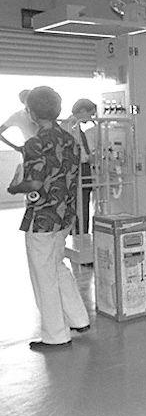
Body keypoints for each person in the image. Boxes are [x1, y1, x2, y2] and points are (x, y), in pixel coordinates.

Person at [7, 86, 90, 351]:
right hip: (65, 215)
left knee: (43, 275)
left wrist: (14, 186)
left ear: (30, 113)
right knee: (56, 265)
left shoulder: (35, 143)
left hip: (42, 218)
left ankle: (56, 335)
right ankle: (79, 318)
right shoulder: (70, 141)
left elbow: (34, 184)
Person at [62, 99, 98, 234]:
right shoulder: (68, 126)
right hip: (77, 169)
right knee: (79, 205)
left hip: (82, 169)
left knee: (82, 204)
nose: (91, 118)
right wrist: (88, 157)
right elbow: (72, 151)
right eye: (91, 114)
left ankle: (81, 233)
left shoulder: (74, 126)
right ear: (82, 111)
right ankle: (79, 234)